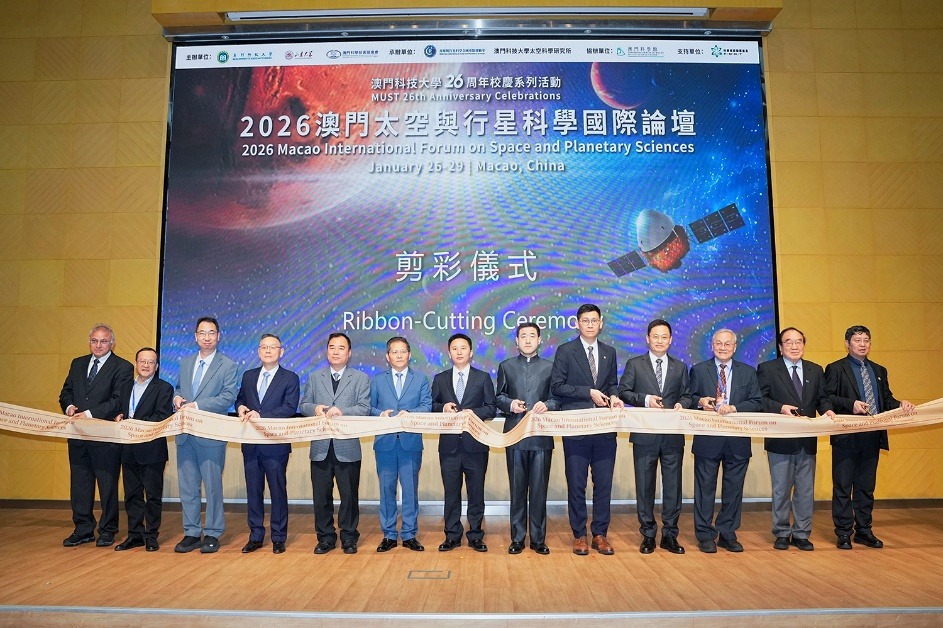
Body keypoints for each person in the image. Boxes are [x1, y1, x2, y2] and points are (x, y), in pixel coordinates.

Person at [825, 325, 914, 550]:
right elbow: (827, 399)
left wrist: (901, 404)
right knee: (843, 486)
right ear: (847, 344)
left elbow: (886, 400)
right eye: (857, 340)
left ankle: (864, 531)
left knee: (866, 487)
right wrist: (851, 405)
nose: (862, 344)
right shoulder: (836, 368)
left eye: (866, 340)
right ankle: (844, 532)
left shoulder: (879, 370)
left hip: (872, 436)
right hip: (846, 436)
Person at [550, 304, 624, 556]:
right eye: (585, 320)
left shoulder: (609, 352)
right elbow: (557, 386)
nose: (590, 324)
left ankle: (600, 534)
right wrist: (587, 392)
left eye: (594, 320)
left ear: (601, 323)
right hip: (577, 427)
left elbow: (612, 384)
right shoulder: (565, 351)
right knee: (576, 484)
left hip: (604, 428)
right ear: (577, 324)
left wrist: (615, 396)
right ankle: (579, 534)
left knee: (603, 484)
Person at [617, 318, 693, 555]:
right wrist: (645, 399)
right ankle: (648, 534)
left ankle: (670, 535)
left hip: (672, 436)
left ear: (670, 340)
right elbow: (623, 392)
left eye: (664, 337)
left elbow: (688, 395)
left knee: (672, 488)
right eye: (655, 336)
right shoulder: (635, 364)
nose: (660, 341)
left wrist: (682, 403)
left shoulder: (680, 367)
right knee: (645, 487)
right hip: (644, 435)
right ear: (647, 339)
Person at [757, 327, 834, 552]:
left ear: (804, 345)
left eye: (799, 341)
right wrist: (780, 407)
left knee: (805, 491)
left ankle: (802, 533)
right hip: (780, 440)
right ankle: (781, 532)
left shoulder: (815, 370)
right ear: (780, 347)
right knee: (781, 491)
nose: (794, 346)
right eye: (788, 342)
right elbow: (759, 399)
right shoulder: (767, 369)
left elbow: (822, 398)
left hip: (807, 441)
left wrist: (828, 410)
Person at [59, 323, 134, 547]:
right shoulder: (78, 363)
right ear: (89, 342)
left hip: (105, 436)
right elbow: (66, 392)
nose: (98, 345)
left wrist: (89, 414)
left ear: (112, 343)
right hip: (78, 434)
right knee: (80, 484)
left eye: (103, 341)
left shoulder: (123, 367)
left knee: (107, 485)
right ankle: (83, 529)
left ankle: (108, 530)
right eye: (94, 341)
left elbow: (118, 400)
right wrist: (69, 407)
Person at [688, 328, 763, 553]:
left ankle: (727, 533)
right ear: (712, 346)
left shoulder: (748, 372)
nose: (723, 347)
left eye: (727, 344)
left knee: (734, 490)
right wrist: (700, 401)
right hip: (708, 439)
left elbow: (757, 402)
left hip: (737, 441)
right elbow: (688, 398)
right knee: (705, 490)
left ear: (735, 346)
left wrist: (735, 407)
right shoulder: (698, 370)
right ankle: (705, 535)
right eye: (718, 343)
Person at [172, 316, 239, 554]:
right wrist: (176, 398)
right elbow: (179, 388)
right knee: (188, 487)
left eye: (211, 333)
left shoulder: (228, 365)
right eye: (202, 333)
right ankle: (191, 532)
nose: (207, 337)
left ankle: (213, 532)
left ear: (218, 336)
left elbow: (228, 397)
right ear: (195, 336)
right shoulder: (186, 363)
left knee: (212, 487)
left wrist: (197, 405)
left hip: (211, 434)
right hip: (185, 434)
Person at [300, 332, 370, 555]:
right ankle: (325, 537)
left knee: (349, 496)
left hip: (347, 447)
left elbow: (364, 408)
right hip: (320, 447)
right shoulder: (314, 377)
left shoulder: (360, 378)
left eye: (341, 348)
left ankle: (349, 537)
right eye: (332, 347)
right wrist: (314, 409)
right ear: (327, 351)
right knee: (321, 496)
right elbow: (304, 405)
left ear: (349, 353)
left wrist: (343, 411)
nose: (336, 352)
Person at [496, 322, 559, 555]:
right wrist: (510, 404)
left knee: (539, 490)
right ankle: (517, 538)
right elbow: (498, 397)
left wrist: (548, 404)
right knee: (517, 490)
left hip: (541, 437)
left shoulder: (550, 367)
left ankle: (538, 539)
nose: (528, 340)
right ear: (517, 341)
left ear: (540, 340)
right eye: (523, 336)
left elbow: (557, 399)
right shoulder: (506, 366)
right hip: (515, 436)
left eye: (532, 335)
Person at [433, 333, 497, 553]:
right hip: (449, 446)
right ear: (449, 353)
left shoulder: (483, 377)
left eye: (463, 348)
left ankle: (476, 535)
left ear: (471, 352)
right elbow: (432, 405)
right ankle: (452, 535)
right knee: (451, 493)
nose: (459, 352)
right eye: (454, 348)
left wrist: (473, 413)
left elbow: (491, 408)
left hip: (476, 445)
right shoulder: (440, 378)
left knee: (476, 493)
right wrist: (443, 407)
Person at [236, 333, 300, 554]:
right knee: (253, 491)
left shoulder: (290, 378)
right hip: (251, 444)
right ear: (258, 351)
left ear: (281, 352)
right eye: (264, 347)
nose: (268, 351)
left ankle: (279, 537)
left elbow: (290, 408)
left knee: (277, 491)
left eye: (273, 347)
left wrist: (261, 415)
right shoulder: (248, 376)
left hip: (276, 445)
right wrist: (240, 407)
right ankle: (255, 535)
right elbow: (240, 398)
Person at [371, 336, 431, 552]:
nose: (399, 355)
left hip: (410, 443)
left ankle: (409, 534)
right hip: (385, 443)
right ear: (387, 356)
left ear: (409, 354)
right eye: (394, 352)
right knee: (386, 490)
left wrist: (410, 413)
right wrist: (380, 413)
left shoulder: (421, 379)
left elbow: (427, 406)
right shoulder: (378, 380)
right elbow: (369, 407)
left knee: (410, 491)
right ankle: (388, 535)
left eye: (403, 351)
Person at [113, 347, 174, 552]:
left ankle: (151, 536)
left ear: (156, 367)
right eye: (142, 361)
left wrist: (134, 423)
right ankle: (135, 535)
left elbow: (162, 416)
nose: (146, 365)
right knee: (132, 495)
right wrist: (119, 416)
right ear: (136, 364)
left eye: (151, 362)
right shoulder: (125, 387)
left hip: (152, 450)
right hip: (128, 449)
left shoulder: (164, 388)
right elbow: (119, 410)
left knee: (152, 496)